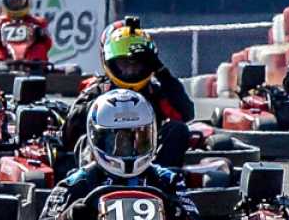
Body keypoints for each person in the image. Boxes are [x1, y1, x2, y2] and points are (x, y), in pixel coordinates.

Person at [29, 90, 204, 220]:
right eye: (117, 140)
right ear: (96, 137)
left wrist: (177, 213)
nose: (128, 148)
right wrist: (68, 218)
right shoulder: (78, 182)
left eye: (138, 138)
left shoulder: (166, 179)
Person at [59, 19, 195, 167]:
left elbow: (186, 114)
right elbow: (67, 137)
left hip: (149, 163)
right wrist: (97, 109)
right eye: (124, 64)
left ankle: (164, 177)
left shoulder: (155, 91)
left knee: (178, 129)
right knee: (86, 138)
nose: (130, 71)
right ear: (110, 61)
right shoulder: (97, 91)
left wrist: (162, 71)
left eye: (137, 64)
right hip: (101, 167)